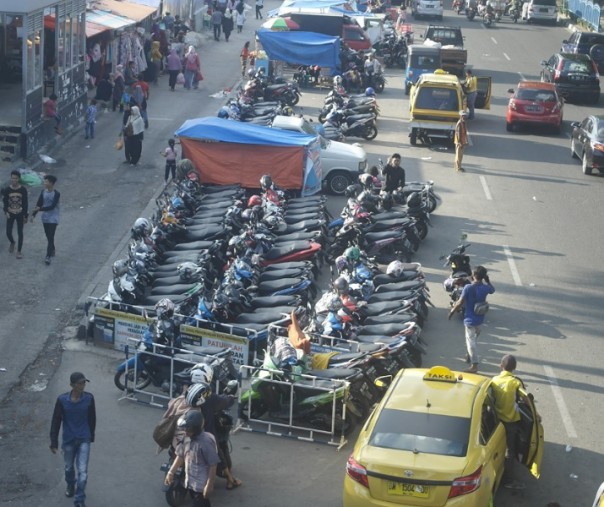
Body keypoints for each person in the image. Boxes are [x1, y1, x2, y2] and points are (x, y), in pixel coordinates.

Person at [50, 372, 96, 507]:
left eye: (84, 383)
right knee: (69, 467)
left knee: (83, 471)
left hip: (84, 439)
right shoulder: (62, 400)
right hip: (68, 440)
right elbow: (56, 421)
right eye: (79, 383)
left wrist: (90, 435)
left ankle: (79, 500)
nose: (82, 385)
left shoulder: (89, 398)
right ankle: (70, 484)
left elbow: (92, 418)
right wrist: (54, 441)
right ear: (72, 385)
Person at [491, 355, 534, 490]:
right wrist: (535, 414)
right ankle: (508, 480)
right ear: (514, 368)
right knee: (511, 450)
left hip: (496, 421)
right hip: (510, 422)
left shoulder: (494, 380)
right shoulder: (515, 382)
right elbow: (526, 398)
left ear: (500, 365)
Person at [164, 410, 220, 507]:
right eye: (185, 428)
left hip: (200, 486)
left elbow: (213, 465)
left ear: (196, 428)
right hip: (190, 482)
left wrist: (209, 485)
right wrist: (171, 472)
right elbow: (180, 456)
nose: (185, 431)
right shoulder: (186, 438)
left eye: (188, 429)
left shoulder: (205, 443)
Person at [448, 265, 495, 373]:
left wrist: (452, 311)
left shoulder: (468, 287)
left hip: (470, 320)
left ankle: (474, 366)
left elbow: (460, 302)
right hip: (480, 318)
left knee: (471, 342)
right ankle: (469, 355)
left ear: (473, 276)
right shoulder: (485, 287)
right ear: (483, 277)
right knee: (473, 339)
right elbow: (492, 290)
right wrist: (487, 281)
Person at [31, 174, 60, 265]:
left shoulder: (56, 193)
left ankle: (48, 256)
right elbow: (39, 203)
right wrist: (33, 215)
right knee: (48, 236)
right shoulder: (43, 192)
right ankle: (53, 248)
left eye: (46, 181)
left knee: (51, 236)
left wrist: (39, 209)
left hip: (54, 218)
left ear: (51, 183)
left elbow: (52, 206)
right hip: (45, 218)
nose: (45, 183)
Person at [3, 170, 29, 259]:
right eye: (12, 178)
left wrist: (25, 216)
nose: (14, 180)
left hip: (20, 213)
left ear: (19, 179)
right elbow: (5, 202)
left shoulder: (23, 190)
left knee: (20, 232)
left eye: (16, 178)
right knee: (8, 232)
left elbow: (25, 203)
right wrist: (6, 212)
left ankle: (19, 251)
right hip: (10, 213)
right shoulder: (7, 190)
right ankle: (12, 242)